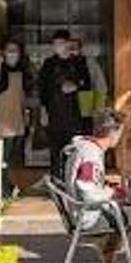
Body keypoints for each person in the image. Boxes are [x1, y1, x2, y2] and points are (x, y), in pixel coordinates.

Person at [60, 108, 131, 263]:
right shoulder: (91, 154)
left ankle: (119, 261)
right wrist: (112, 193)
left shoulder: (85, 147)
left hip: (80, 211)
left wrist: (106, 187)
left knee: (128, 209)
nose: (120, 137)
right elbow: (87, 192)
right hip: (88, 216)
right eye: (120, 132)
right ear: (113, 132)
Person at [37, 31, 91, 176]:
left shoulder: (78, 63)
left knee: (73, 151)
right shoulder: (49, 64)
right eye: (55, 44)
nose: (57, 47)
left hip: (75, 115)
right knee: (55, 151)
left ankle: (71, 182)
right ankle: (56, 182)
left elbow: (87, 87)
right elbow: (42, 88)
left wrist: (76, 86)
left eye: (60, 44)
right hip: (54, 113)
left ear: (67, 44)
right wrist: (43, 111)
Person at [0, 40, 33, 188]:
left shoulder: (22, 71)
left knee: (14, 158)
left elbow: (24, 96)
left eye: (15, 50)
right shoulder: (0, 70)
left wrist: (27, 116)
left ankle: (11, 185)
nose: (12, 53)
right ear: (4, 53)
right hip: (3, 122)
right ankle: (4, 187)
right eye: (9, 50)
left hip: (18, 121)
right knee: (3, 158)